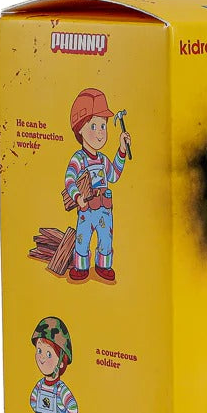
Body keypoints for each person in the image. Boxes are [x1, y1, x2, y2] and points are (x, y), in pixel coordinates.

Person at [63, 88, 131, 283]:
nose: (100, 132)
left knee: (106, 239)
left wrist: (121, 150)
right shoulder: (79, 158)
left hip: (104, 209)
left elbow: (114, 175)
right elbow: (69, 180)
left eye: (103, 126)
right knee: (82, 238)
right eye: (93, 126)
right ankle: (81, 267)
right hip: (86, 209)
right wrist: (77, 197)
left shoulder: (103, 160)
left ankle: (103, 265)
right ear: (80, 129)